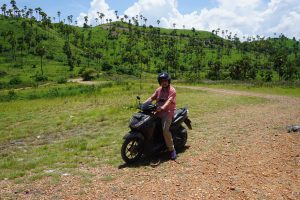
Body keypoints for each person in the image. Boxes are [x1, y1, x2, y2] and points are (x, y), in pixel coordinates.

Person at [145, 72, 177, 160]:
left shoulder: (172, 91)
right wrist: (144, 104)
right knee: (147, 123)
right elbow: (151, 98)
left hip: (168, 112)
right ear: (160, 82)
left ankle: (172, 149)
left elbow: (169, 101)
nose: (164, 82)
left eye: (166, 81)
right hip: (158, 111)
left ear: (168, 81)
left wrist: (162, 107)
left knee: (165, 130)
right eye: (162, 81)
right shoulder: (159, 90)